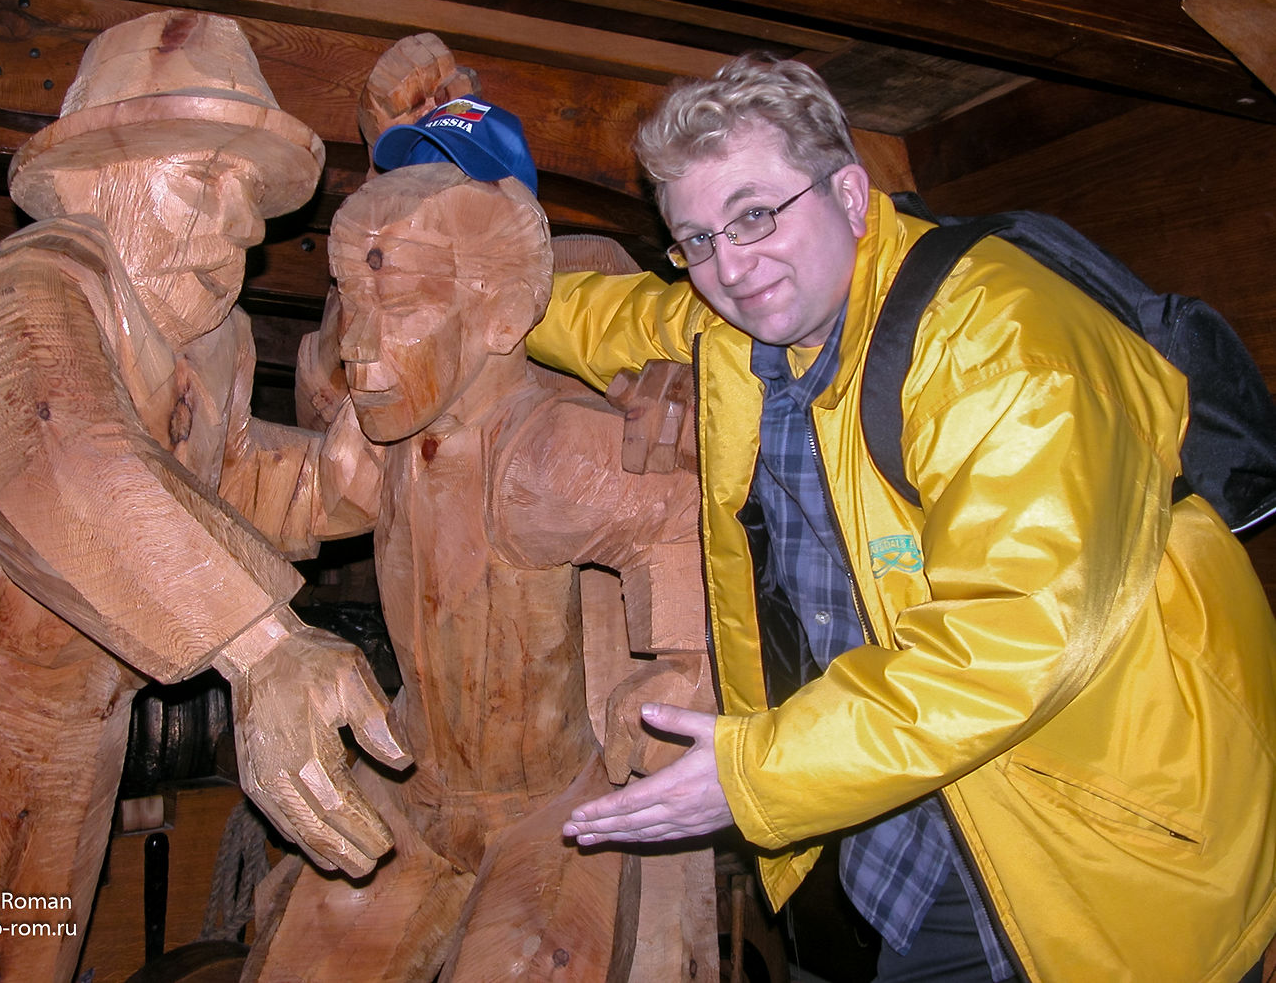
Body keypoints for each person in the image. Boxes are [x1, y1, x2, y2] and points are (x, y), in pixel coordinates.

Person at [528, 52, 1276, 982]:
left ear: (848, 195)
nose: (731, 265)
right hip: (914, 817)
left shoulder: (1002, 346)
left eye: (754, 215)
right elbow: (613, 317)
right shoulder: (741, 327)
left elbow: (1013, 636)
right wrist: (467, 286)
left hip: (1097, 832)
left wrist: (757, 775)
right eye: (698, 239)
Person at [0, 10, 410, 983]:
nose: (242, 225)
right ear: (90, 183)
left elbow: (242, 485)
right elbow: (67, 465)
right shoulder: (44, 278)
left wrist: (376, 467)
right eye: (203, 179)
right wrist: (264, 645)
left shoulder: (218, 347)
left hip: (85, 731)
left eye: (253, 197)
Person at [241, 81, 717, 982]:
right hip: (410, 784)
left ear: (505, 313)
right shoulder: (378, 440)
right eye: (352, 302)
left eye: (398, 310)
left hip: (549, 809)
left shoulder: (541, 451)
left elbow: (669, 512)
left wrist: (681, 666)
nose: (360, 344)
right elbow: (296, 490)